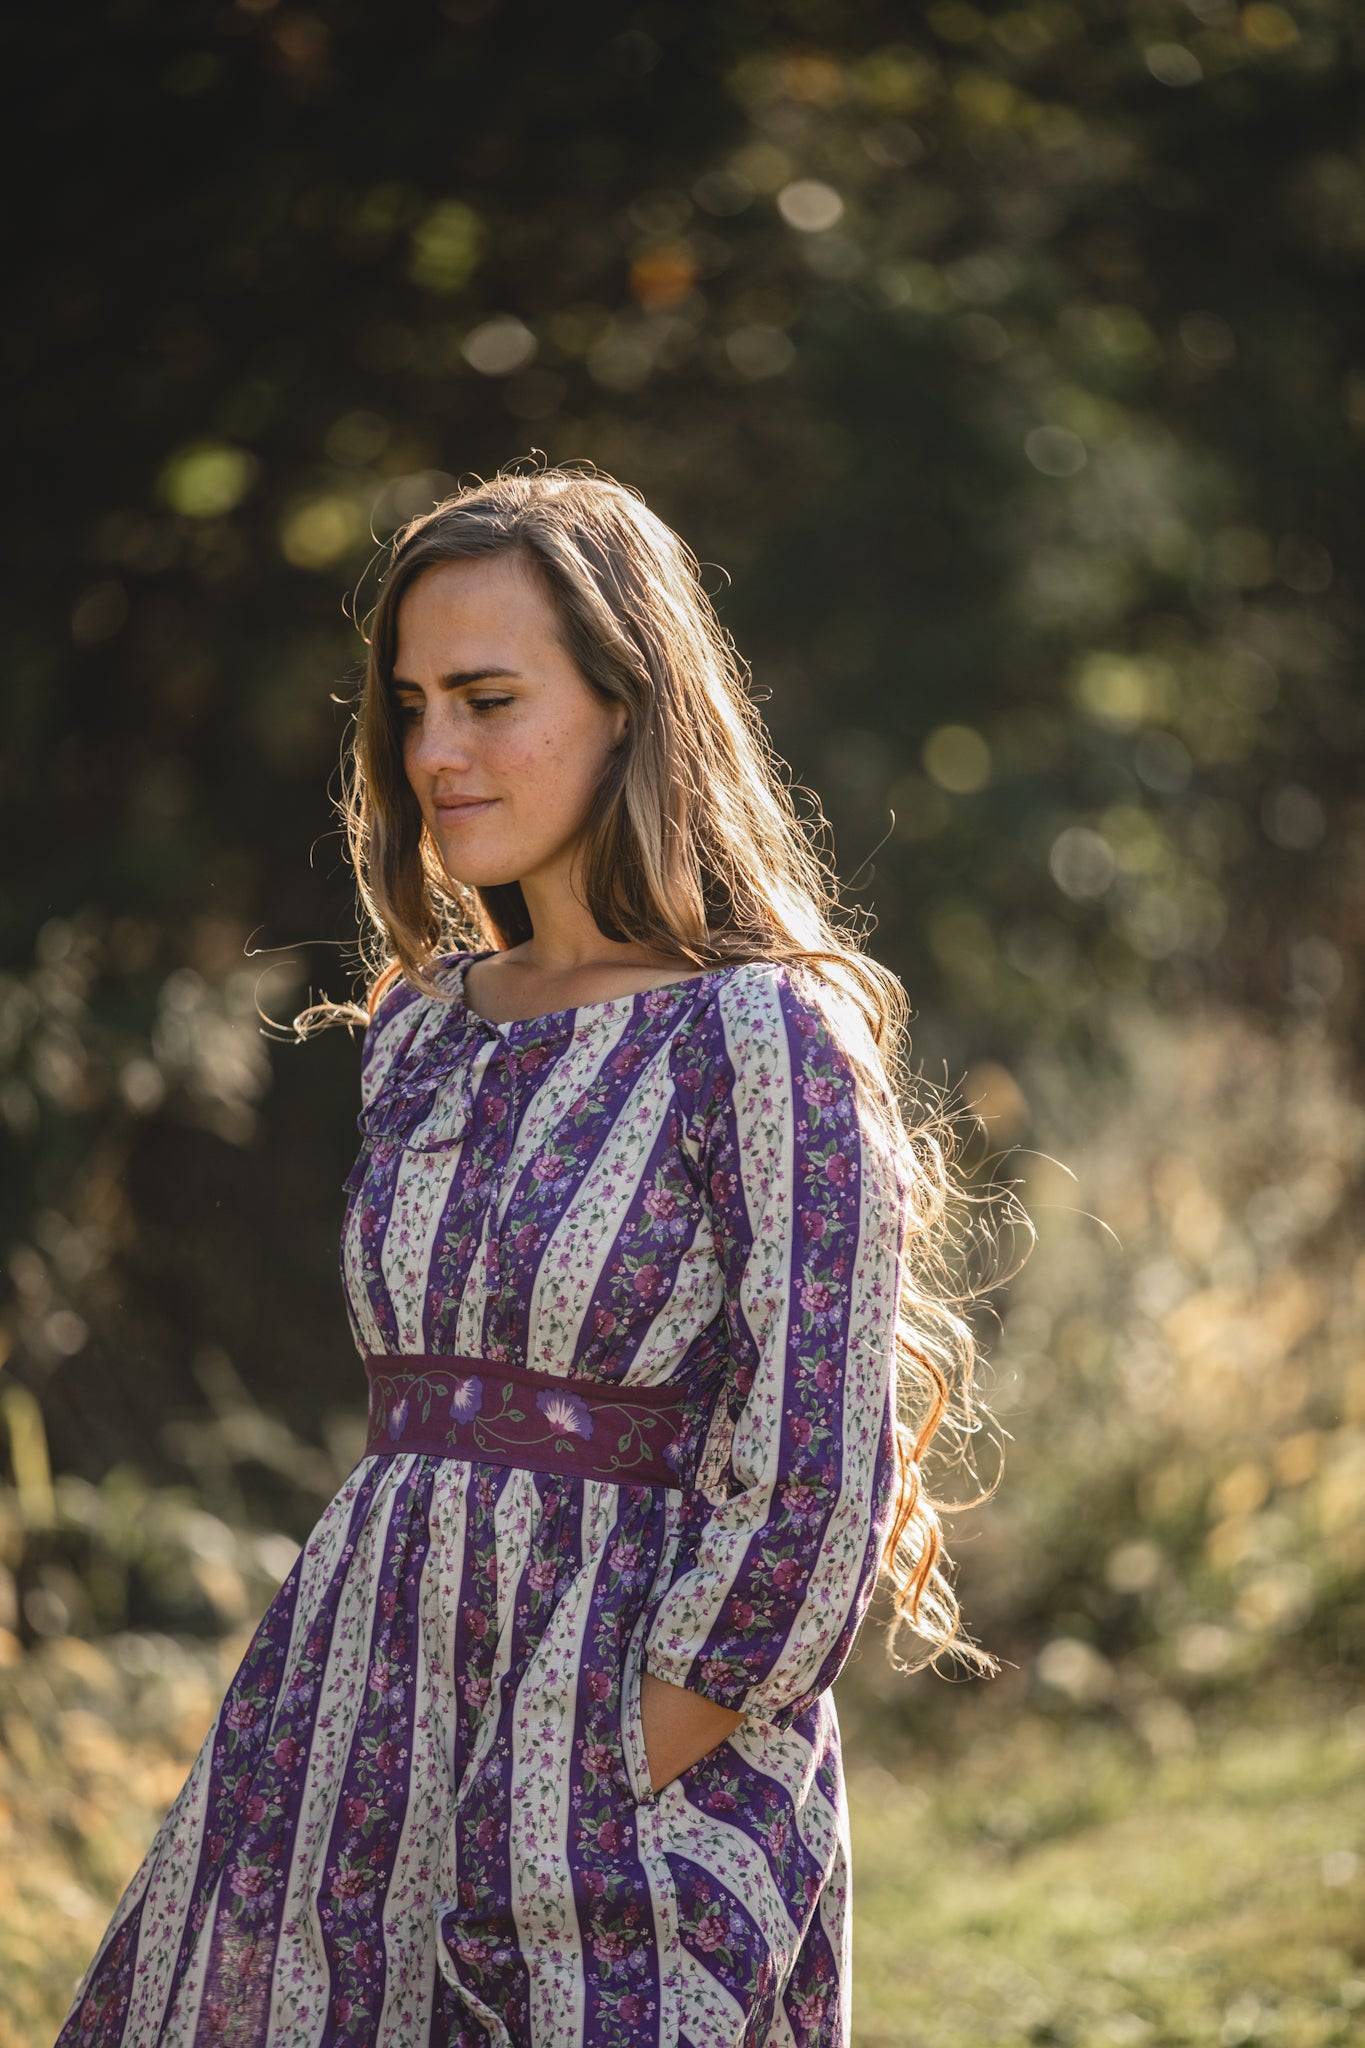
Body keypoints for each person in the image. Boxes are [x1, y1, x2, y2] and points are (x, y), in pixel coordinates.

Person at [58, 467, 991, 2048]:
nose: (435, 751)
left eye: (488, 700)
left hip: (629, 1750)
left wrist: (607, 1765)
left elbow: (813, 1482)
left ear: (627, 703)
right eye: (410, 705)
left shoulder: (760, 1036)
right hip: (347, 1727)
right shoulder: (419, 1030)